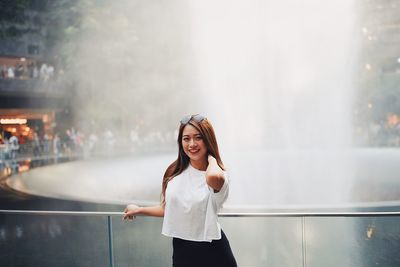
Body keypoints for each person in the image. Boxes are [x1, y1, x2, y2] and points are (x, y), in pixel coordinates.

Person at [123, 114, 237, 267]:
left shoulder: (217, 174)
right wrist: (139, 209)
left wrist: (212, 159)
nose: (192, 144)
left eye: (198, 138)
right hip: (182, 249)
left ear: (208, 140)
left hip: (213, 250)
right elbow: (168, 208)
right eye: (186, 139)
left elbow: (212, 178)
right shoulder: (174, 173)